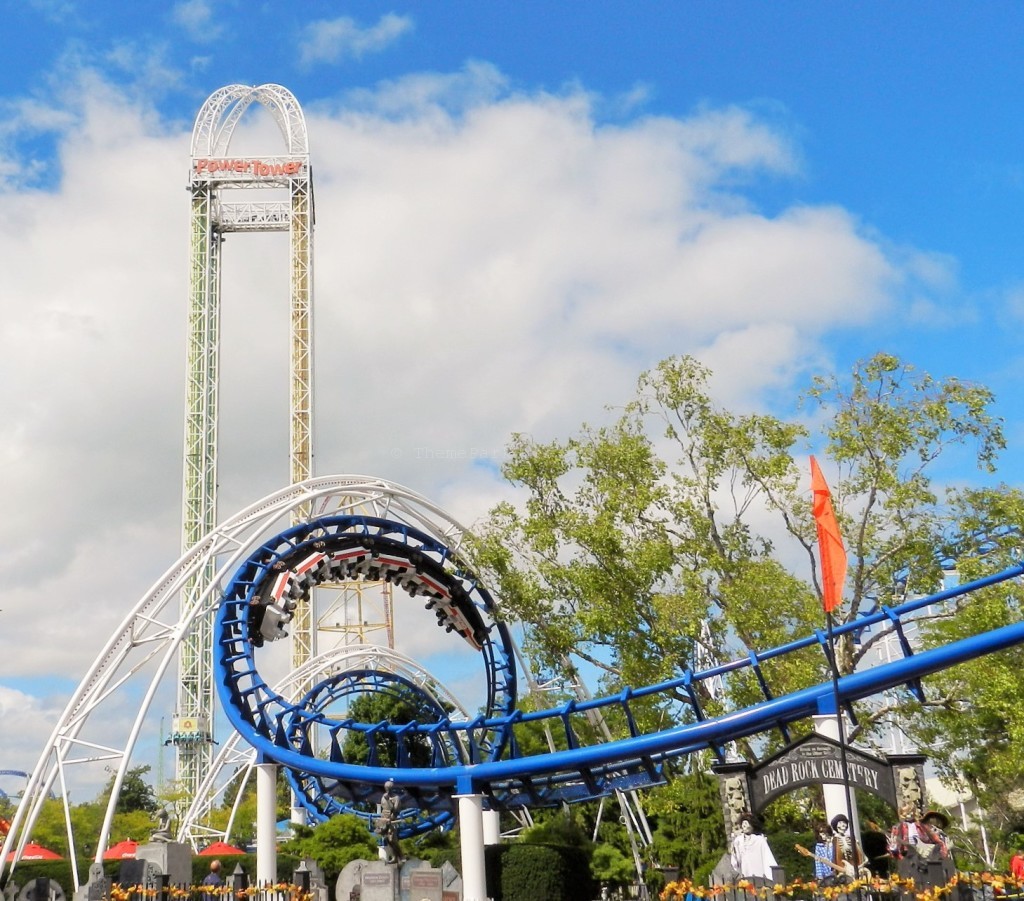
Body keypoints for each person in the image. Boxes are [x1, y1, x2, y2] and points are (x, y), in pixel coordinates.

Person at [730, 812, 777, 886]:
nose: (744, 825)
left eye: (746, 823)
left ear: (752, 825)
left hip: (759, 872)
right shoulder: (738, 841)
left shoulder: (759, 840)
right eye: (743, 823)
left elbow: (767, 858)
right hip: (745, 872)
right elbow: (736, 861)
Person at [375, 779, 404, 865]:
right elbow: (384, 808)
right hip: (384, 819)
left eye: (388, 788)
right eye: (386, 788)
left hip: (392, 819)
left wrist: (390, 802)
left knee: (392, 839)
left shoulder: (396, 798)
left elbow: (395, 810)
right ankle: (395, 857)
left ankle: (401, 856)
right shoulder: (384, 796)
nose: (387, 790)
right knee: (387, 839)